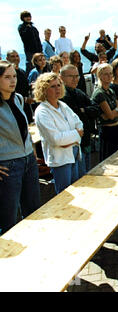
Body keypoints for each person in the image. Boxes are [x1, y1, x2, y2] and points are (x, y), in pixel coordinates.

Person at [0, 60, 40, 235]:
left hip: (28, 160)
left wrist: (34, 154)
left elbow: (25, 131)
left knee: (34, 211)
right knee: (8, 218)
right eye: (7, 77)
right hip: (8, 166)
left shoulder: (17, 99)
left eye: (14, 76)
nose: (13, 80)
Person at [34, 73, 84, 194]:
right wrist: (76, 135)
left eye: (58, 85)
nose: (57, 89)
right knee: (65, 194)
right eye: (52, 86)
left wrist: (70, 138)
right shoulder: (42, 112)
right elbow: (56, 139)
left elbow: (80, 125)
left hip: (73, 153)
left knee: (77, 190)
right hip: (60, 159)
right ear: (44, 90)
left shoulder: (63, 105)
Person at [60, 64, 100, 175]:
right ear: (61, 78)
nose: (75, 79)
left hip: (86, 139)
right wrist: (85, 111)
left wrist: (83, 110)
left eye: (77, 76)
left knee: (87, 172)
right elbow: (74, 114)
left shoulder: (78, 92)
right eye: (71, 76)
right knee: (80, 176)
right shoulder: (63, 96)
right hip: (75, 143)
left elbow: (96, 109)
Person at [91, 63, 118, 161]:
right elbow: (110, 116)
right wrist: (116, 110)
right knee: (109, 160)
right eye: (106, 74)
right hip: (108, 132)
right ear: (100, 76)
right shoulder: (99, 93)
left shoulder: (110, 91)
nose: (109, 76)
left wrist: (115, 111)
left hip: (117, 128)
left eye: (110, 73)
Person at [6, 50, 34, 122]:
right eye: (12, 56)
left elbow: (23, 87)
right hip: (15, 106)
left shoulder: (22, 71)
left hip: (26, 107)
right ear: (7, 58)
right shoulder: (6, 74)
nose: (16, 58)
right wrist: (24, 99)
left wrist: (30, 86)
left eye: (17, 56)